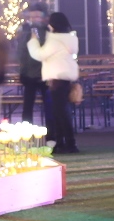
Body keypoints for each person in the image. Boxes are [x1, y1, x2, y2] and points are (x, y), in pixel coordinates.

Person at [28, 11, 79, 154]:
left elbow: (39, 54)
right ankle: (64, 142)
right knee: (62, 112)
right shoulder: (70, 38)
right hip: (65, 79)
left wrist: (33, 41)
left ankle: (67, 143)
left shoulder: (55, 40)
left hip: (56, 79)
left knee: (59, 113)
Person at [17, 6, 50, 124]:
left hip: (44, 73)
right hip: (30, 74)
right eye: (32, 16)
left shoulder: (47, 32)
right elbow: (21, 52)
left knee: (48, 105)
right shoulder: (24, 32)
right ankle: (27, 129)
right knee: (28, 105)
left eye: (37, 16)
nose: (34, 19)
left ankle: (51, 130)